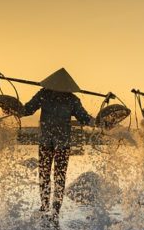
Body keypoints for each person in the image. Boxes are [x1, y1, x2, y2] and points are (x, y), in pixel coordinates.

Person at [20, 68, 94, 218]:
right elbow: (26, 110)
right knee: (48, 175)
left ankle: (54, 209)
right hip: (48, 142)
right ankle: (47, 206)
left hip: (59, 144)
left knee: (55, 176)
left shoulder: (70, 99)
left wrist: (98, 122)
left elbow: (85, 119)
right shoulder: (45, 94)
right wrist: (13, 108)